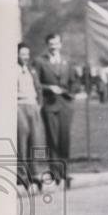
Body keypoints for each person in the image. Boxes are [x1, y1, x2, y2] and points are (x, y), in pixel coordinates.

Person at [34, 32, 75, 186]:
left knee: (65, 139)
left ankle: (65, 171)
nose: (54, 47)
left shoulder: (67, 61)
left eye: (56, 43)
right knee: (53, 139)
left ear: (61, 44)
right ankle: (55, 173)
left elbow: (74, 81)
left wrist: (70, 93)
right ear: (47, 45)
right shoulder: (39, 61)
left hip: (65, 105)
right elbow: (36, 83)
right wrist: (49, 88)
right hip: (50, 105)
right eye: (51, 44)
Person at [17, 42, 45, 190]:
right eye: (22, 54)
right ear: (16, 55)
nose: (25, 57)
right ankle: (22, 175)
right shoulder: (12, 70)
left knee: (37, 140)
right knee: (22, 140)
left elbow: (38, 87)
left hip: (33, 105)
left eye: (27, 54)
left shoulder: (31, 69)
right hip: (19, 106)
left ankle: (36, 172)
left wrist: (39, 104)